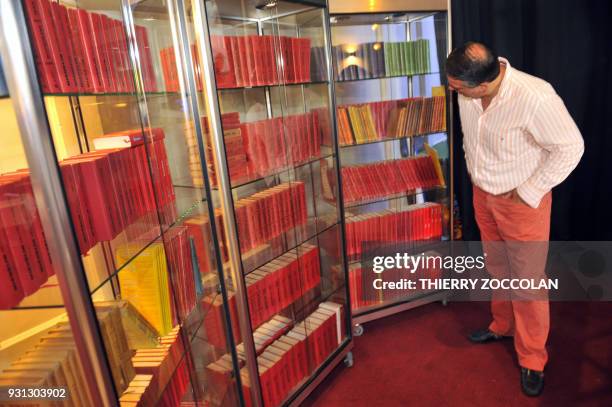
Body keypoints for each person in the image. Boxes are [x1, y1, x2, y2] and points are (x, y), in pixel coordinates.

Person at [445, 42, 584, 397]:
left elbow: (571, 147)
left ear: (484, 84)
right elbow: (470, 138)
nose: (452, 91)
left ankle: (533, 359)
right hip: (483, 195)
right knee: (497, 267)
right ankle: (502, 326)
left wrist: (528, 191)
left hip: (522, 203)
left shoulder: (535, 96)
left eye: (457, 88)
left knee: (527, 282)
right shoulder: (468, 89)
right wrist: (476, 175)